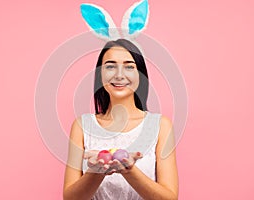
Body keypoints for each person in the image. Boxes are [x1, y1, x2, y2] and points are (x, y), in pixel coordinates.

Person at [63, 39, 179, 200]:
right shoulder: (82, 126)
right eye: (110, 66)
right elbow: (70, 198)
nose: (119, 75)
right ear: (100, 75)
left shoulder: (160, 126)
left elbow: (169, 198)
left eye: (129, 66)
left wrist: (130, 171)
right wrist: (96, 171)